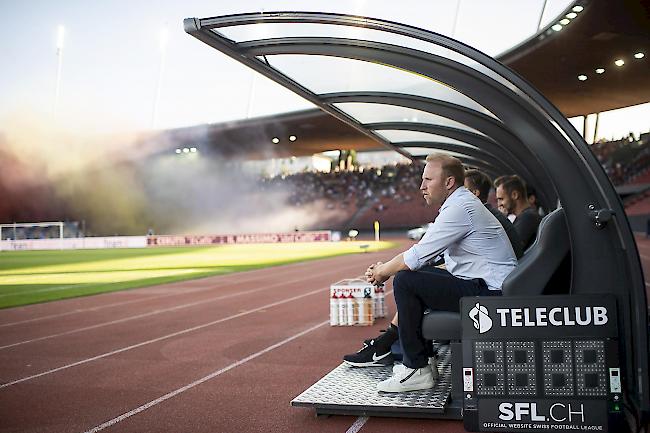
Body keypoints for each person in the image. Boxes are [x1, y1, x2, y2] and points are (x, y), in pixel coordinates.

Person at [344, 153, 517, 393]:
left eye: (428, 180)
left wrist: (383, 271)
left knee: (405, 280)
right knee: (414, 276)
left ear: (448, 182)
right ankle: (424, 362)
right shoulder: (460, 203)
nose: (421, 186)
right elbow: (427, 256)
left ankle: (416, 368)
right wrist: (387, 266)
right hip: (488, 286)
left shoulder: (460, 207)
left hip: (491, 294)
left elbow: (416, 256)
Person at [464, 169, 524, 259]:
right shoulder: (489, 214)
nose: (499, 204)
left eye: (462, 190)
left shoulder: (482, 217)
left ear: (475, 193)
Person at [496, 175, 542, 250]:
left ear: (515, 195)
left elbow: (509, 249)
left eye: (501, 199)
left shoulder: (528, 217)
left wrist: (501, 219)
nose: (499, 204)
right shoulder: (525, 216)